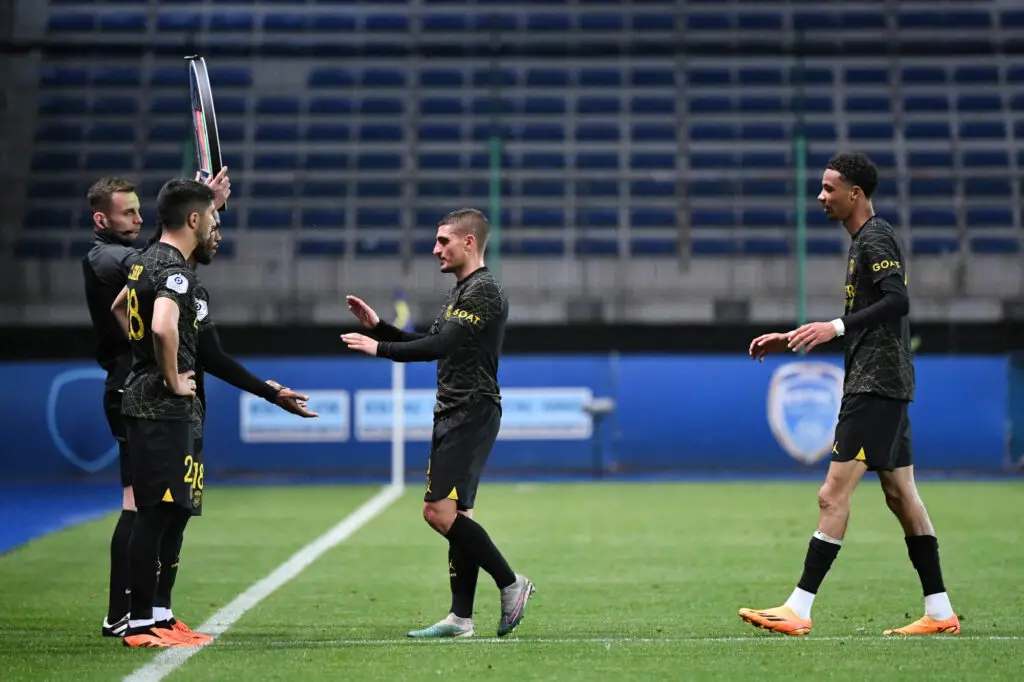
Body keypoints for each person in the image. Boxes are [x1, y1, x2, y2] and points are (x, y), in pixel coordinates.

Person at [739, 152, 959, 637]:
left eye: (829, 188)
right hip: (886, 383)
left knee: (831, 494)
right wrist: (796, 336)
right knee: (901, 495)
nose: (820, 196)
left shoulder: (875, 237)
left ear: (855, 193)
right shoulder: (864, 240)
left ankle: (798, 607)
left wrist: (835, 326)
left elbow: (898, 300)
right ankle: (940, 611)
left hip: (874, 386)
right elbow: (876, 312)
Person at [112, 206, 317, 646]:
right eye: (213, 222)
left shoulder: (156, 266)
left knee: (175, 513)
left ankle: (161, 615)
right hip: (161, 409)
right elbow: (162, 327)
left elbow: (124, 310)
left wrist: (270, 392)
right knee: (155, 513)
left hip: (177, 413)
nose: (219, 233)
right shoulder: (173, 272)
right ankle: (140, 623)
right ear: (193, 221)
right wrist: (166, 375)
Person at [342, 208, 535, 639]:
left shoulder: (484, 291)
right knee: (459, 515)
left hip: (471, 410)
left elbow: (441, 345)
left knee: (437, 511)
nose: (435, 249)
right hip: (455, 410)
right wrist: (381, 328)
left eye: (443, 240)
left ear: (469, 242)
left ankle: (511, 583)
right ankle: (460, 618)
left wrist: (379, 349)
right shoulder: (460, 292)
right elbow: (431, 342)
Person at [83, 170, 229, 639]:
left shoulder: (144, 260)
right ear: (101, 219)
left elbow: (133, 294)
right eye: (128, 213)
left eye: (141, 210)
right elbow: (162, 262)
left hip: (146, 385)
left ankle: (152, 612)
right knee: (143, 507)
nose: (138, 219)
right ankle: (129, 614)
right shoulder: (108, 257)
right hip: (140, 392)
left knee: (165, 507)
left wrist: (204, 209)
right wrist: (162, 368)